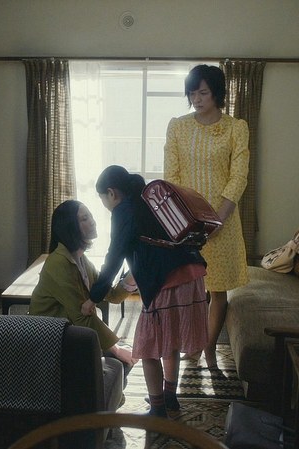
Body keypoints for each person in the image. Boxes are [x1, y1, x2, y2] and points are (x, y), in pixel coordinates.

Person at [85, 165, 208, 417]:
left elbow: (114, 256)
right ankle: (170, 397)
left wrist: (94, 297)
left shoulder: (124, 210)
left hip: (167, 279)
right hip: (193, 273)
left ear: (111, 193)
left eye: (102, 199)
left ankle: (157, 409)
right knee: (171, 340)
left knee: (149, 347)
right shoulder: (149, 202)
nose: (104, 205)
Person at [164, 64, 250, 368]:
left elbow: (238, 177)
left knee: (217, 289)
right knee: (188, 288)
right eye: (192, 93)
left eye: (203, 92)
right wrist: (186, 220)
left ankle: (209, 346)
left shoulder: (236, 128)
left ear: (217, 93)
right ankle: (192, 346)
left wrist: (218, 219)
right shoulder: (178, 127)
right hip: (187, 222)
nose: (196, 99)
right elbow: (172, 176)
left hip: (223, 221)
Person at [29, 199, 137, 367]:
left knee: (124, 357)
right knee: (121, 358)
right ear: (70, 227)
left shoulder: (81, 259)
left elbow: (111, 295)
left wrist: (135, 273)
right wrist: (116, 349)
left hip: (68, 328)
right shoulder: (59, 263)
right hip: (49, 337)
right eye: (84, 219)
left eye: (90, 216)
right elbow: (82, 316)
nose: (92, 221)